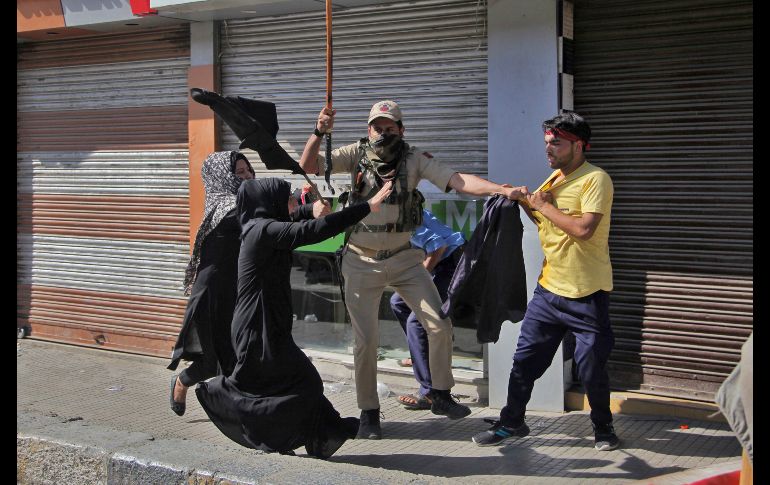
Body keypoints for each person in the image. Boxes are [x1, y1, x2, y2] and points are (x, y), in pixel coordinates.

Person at [299, 99, 527, 439]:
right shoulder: (355, 153)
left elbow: (458, 181)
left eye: (390, 127)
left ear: (402, 130)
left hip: (404, 257)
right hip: (360, 259)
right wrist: (319, 131)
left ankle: (440, 393)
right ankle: (369, 412)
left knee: (439, 323)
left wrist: (501, 189)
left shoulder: (414, 158)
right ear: (368, 130)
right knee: (366, 341)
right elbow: (308, 165)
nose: (383, 132)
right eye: (377, 127)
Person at [195, 177, 393, 459]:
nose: (291, 202)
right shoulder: (262, 230)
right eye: (287, 198)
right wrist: (366, 207)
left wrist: (308, 207)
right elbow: (311, 231)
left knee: (287, 385)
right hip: (257, 329)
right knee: (302, 382)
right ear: (271, 203)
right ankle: (223, 397)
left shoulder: (260, 224)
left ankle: (315, 436)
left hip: (269, 325)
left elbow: (295, 217)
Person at [471, 111, 619, 451]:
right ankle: (511, 422)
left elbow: (583, 229)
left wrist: (543, 205)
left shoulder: (595, 179)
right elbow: (544, 221)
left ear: (579, 145)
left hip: (587, 293)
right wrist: (525, 201)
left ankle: (603, 428)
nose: (549, 149)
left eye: (557, 144)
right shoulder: (553, 179)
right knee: (525, 361)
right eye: (547, 143)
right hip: (549, 291)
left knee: (591, 367)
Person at [168, 152, 329, 416]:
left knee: (242, 356)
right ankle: (184, 383)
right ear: (222, 177)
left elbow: (273, 213)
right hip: (214, 295)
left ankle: (244, 412)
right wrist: (307, 210)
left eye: (249, 170)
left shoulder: (246, 205)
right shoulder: (227, 207)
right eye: (239, 173)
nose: (247, 177)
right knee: (215, 361)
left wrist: (302, 202)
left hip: (241, 291)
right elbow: (270, 221)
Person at [389, 209, 465, 410]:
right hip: (439, 262)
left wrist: (418, 280)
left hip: (450, 263)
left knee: (417, 322)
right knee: (398, 302)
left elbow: (438, 246)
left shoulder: (400, 217)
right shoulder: (396, 210)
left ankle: (429, 391)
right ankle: (423, 356)